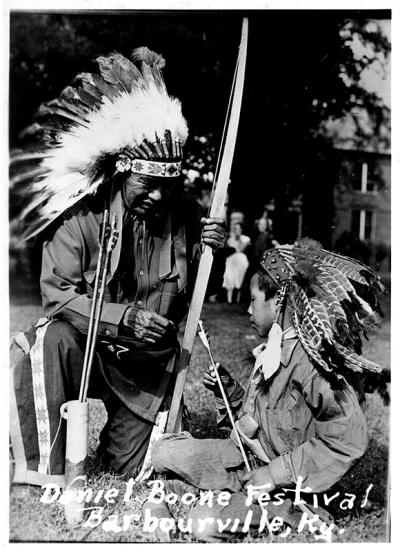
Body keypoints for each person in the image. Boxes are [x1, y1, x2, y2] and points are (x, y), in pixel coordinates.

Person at [9, 47, 226, 488]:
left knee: (144, 471)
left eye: (169, 186)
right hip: (85, 350)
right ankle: (40, 470)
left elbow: (202, 293)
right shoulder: (78, 217)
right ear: (122, 173)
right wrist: (122, 318)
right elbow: (58, 296)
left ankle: (122, 444)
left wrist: (211, 257)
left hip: (147, 367)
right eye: (148, 184)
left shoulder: (183, 217)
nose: (160, 197)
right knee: (47, 340)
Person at [149, 238, 384, 542]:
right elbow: (261, 420)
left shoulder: (314, 367)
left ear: (279, 301)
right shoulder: (274, 348)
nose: (247, 308)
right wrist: (230, 392)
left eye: (253, 300)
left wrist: (275, 474)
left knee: (204, 522)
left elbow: (348, 439)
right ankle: (223, 490)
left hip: (291, 486)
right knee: (163, 452)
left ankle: (295, 515)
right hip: (247, 459)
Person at [222, 222, 251, 303]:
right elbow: (228, 252)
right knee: (229, 275)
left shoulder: (246, 239)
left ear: (241, 229)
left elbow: (241, 250)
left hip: (241, 260)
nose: (236, 230)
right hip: (231, 260)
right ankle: (229, 299)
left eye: (238, 228)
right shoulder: (230, 240)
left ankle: (238, 298)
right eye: (235, 229)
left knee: (239, 276)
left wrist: (239, 240)